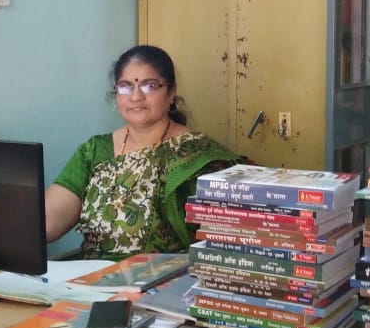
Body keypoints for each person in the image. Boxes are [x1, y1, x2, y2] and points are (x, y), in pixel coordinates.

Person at [45, 45, 240, 258]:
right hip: (93, 275)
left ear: (171, 93)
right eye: (126, 86)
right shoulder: (95, 151)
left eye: (150, 86)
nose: (136, 96)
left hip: (166, 276)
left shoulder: (197, 156)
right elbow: (49, 219)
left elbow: (224, 242)